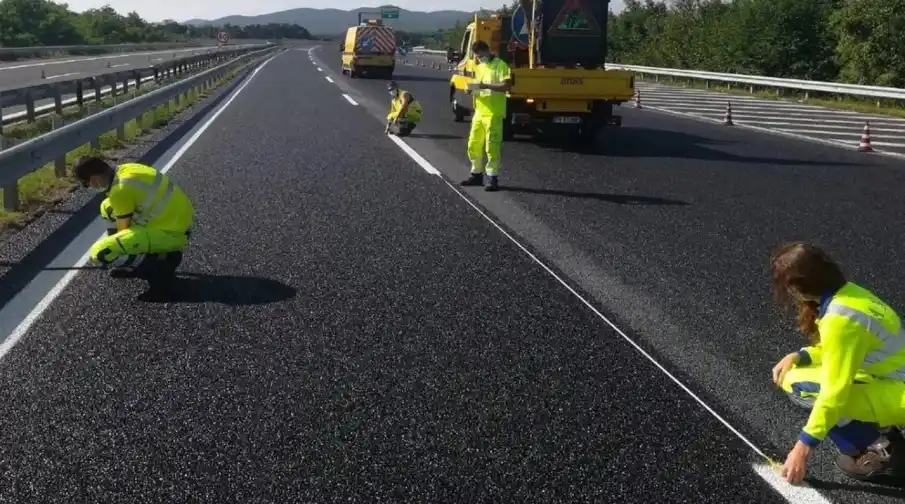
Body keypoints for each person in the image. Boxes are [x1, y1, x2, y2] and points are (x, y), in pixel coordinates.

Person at [770, 242, 905, 484]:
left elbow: (834, 393)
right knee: (798, 371)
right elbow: (844, 351)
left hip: (899, 392)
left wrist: (802, 448)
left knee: (803, 386)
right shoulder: (851, 294)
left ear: (799, 288)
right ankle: (885, 431)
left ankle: (881, 451)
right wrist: (802, 356)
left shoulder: (839, 319)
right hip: (892, 381)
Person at [74, 156, 193, 289]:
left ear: (96, 179)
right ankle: (154, 254)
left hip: (171, 233)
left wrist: (117, 247)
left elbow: (123, 231)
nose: (88, 187)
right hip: (176, 221)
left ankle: (152, 264)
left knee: (100, 252)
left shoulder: (119, 191)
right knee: (106, 207)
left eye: (87, 184)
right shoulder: (126, 169)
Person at [460, 40, 512, 192]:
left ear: (487, 51)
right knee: (473, 144)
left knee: (491, 146)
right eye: (476, 56)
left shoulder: (500, 65)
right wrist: (470, 89)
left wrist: (486, 86)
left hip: (493, 113)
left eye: (480, 55)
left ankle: (492, 177)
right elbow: (477, 85)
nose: (478, 58)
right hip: (479, 112)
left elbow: (507, 86)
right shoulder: (479, 67)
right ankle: (476, 174)